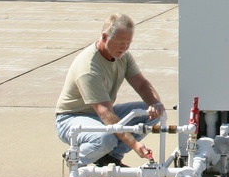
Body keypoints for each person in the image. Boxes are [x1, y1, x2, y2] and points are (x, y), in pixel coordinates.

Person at [55, 13, 165, 166]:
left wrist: (155, 103)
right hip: (72, 118)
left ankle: (109, 157)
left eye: (128, 43)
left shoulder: (123, 56)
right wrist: (135, 145)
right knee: (106, 138)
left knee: (151, 113)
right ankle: (75, 159)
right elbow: (105, 113)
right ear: (105, 37)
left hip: (101, 113)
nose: (124, 47)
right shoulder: (88, 68)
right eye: (120, 42)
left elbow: (141, 84)